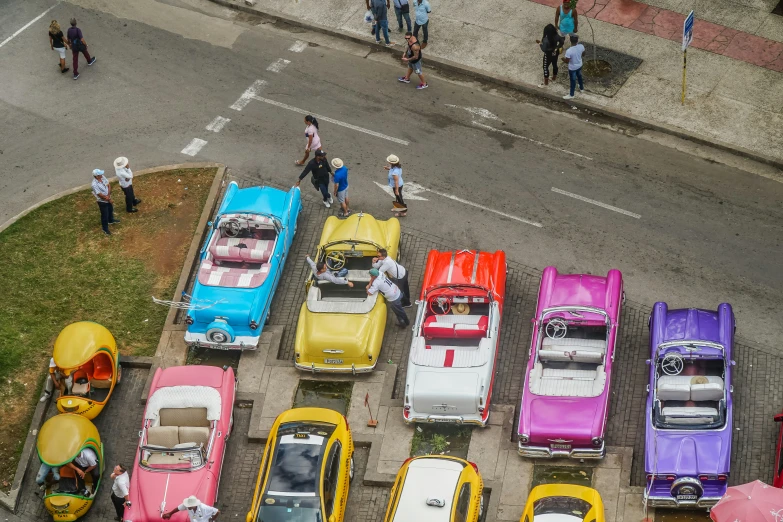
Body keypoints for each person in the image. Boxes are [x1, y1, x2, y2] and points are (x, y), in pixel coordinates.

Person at [92, 169, 120, 235]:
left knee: (110, 209)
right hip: (102, 201)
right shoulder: (94, 184)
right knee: (104, 215)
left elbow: (108, 185)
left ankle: (111, 220)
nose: (102, 175)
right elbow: (99, 194)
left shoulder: (103, 177)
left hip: (108, 197)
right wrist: (108, 199)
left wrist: (109, 195)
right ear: (97, 176)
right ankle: (105, 229)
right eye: (100, 174)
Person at [562, 35, 585, 100]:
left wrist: (562, 59)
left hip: (572, 67)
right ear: (577, 41)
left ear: (570, 41)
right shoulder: (581, 46)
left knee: (573, 80)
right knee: (580, 76)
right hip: (579, 64)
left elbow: (567, 61)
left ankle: (571, 94)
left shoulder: (569, 51)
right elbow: (583, 54)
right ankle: (581, 88)